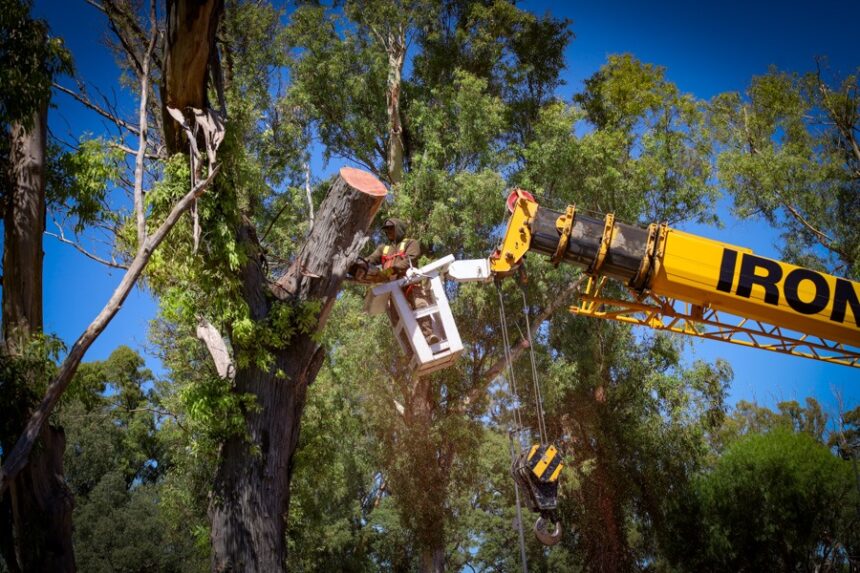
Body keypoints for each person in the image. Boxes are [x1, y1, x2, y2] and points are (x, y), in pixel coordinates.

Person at [365, 218, 439, 345]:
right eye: (386, 229)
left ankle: (429, 335)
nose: (388, 231)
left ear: (398, 228)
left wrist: (392, 270)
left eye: (390, 228)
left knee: (420, 304)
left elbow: (411, 259)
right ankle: (410, 347)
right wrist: (359, 264)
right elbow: (370, 260)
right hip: (393, 289)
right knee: (397, 318)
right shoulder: (383, 249)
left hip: (409, 283)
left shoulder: (411, 243)